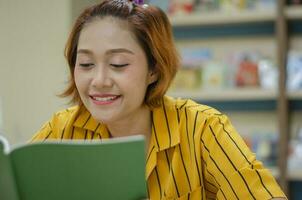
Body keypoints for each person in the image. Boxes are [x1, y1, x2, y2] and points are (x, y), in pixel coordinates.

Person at [31, 0, 287, 199]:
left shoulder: (202, 128)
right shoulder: (62, 130)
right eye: (85, 64)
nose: (99, 80)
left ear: (153, 68)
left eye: (118, 64)